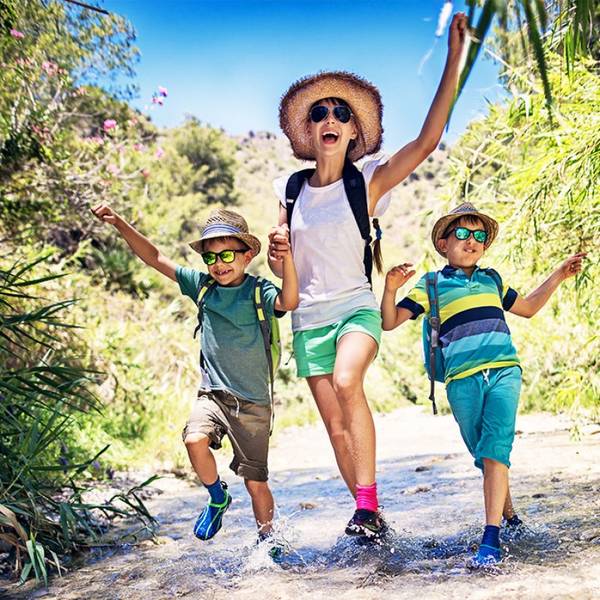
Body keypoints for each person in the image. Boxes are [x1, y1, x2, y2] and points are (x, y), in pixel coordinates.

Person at [268, 13, 469, 537]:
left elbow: (427, 141)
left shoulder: (369, 184)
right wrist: (275, 253)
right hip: (308, 319)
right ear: (310, 131)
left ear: (354, 130)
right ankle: (368, 513)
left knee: (346, 380)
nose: (329, 118)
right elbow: (282, 264)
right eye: (319, 113)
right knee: (335, 428)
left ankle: (367, 502)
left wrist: (454, 58)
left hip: (356, 307)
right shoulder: (289, 191)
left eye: (340, 112)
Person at [381, 202, 586, 565]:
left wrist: (558, 275)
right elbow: (390, 321)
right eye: (462, 233)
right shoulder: (432, 284)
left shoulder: (493, 279)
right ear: (443, 243)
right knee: (486, 455)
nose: (471, 240)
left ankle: (490, 539)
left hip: (505, 371)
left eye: (478, 235)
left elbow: (528, 308)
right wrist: (390, 289)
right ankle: (511, 518)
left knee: (495, 449)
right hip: (461, 381)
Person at [91, 204, 298, 550]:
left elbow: (289, 301)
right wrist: (120, 224)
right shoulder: (203, 287)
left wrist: (287, 259)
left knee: (255, 482)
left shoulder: (258, 291)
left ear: (247, 255)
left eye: (227, 255)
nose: (219, 264)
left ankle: (268, 541)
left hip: (254, 405)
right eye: (211, 257)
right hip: (213, 396)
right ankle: (217, 497)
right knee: (193, 440)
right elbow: (155, 257)